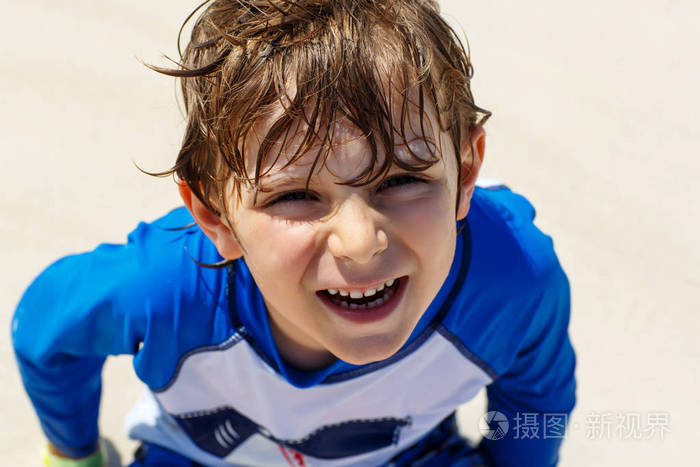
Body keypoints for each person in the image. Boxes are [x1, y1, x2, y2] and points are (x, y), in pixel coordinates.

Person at [11, 1, 576, 466]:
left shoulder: (513, 280)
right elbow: (45, 332)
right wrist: (75, 452)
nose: (361, 242)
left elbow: (534, 400)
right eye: (295, 195)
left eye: (403, 179)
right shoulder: (167, 288)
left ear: (465, 173)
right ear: (215, 216)